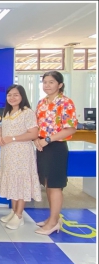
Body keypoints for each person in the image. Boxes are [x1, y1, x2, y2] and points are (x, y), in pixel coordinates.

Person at [33, 71, 77, 235]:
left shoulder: (66, 103)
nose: (47, 85)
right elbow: (38, 125)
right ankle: (53, 217)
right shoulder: (41, 102)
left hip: (56, 147)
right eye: (45, 82)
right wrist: (37, 139)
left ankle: (53, 223)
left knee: (55, 185)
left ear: (60, 84)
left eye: (51, 82)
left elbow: (70, 128)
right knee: (47, 183)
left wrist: (48, 139)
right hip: (42, 145)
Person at [0, 85, 42, 229]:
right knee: (13, 181)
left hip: (21, 153)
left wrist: (12, 139)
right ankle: (14, 211)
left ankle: (19, 215)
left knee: (20, 182)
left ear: (22, 96)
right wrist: (0, 137)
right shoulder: (7, 112)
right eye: (9, 95)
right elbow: (3, 128)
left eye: (16, 95)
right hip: (8, 153)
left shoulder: (27, 112)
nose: (12, 98)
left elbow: (33, 134)